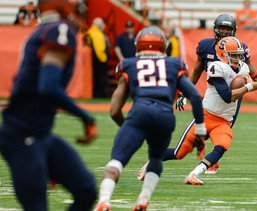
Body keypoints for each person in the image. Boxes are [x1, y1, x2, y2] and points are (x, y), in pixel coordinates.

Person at [137, 14, 257, 179]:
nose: (225, 33)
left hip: (233, 96)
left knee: (223, 131)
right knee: (184, 149)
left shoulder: (240, 55)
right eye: (223, 29)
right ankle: (196, 155)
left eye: (229, 30)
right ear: (216, 29)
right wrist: (184, 93)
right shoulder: (207, 49)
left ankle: (211, 159)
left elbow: (254, 74)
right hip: (217, 96)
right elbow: (196, 72)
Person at [94, 26, 206, 211]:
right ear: (163, 47)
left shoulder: (128, 64)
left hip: (140, 111)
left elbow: (114, 110)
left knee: (117, 160)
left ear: (138, 46)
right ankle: (143, 199)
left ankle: (104, 200)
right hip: (165, 116)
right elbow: (194, 96)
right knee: (155, 157)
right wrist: (200, 131)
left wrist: (130, 127)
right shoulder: (174, 63)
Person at [0, 0, 98, 210]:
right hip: (22, 135)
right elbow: (48, 86)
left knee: (86, 188)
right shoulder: (59, 29)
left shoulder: (44, 30)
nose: (78, 5)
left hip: (39, 134)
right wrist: (85, 116)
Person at [183, 37, 257, 185]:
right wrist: (184, 93)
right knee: (181, 151)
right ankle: (153, 163)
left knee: (222, 145)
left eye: (238, 54)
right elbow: (227, 95)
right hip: (210, 111)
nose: (238, 58)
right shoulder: (216, 65)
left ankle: (195, 173)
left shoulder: (243, 67)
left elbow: (254, 80)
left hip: (225, 114)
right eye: (234, 55)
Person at [84, 17, 111, 97]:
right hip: (99, 60)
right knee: (101, 79)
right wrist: (104, 59)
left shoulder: (90, 32)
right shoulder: (98, 34)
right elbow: (100, 49)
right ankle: (101, 94)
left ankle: (96, 93)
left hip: (91, 60)